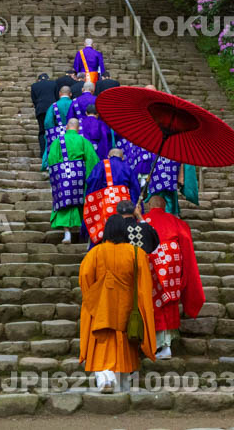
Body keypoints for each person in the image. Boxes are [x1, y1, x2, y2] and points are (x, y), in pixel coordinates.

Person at [79, 214, 156, 392]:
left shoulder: (95, 253)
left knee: (102, 343)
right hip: (127, 309)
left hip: (102, 309)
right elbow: (144, 285)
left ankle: (105, 377)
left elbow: (84, 279)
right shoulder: (136, 253)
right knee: (124, 342)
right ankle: (121, 380)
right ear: (125, 232)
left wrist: (95, 297)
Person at [143, 194, 205, 360]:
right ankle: (167, 344)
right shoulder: (176, 221)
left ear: (149, 206)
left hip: (150, 262)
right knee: (169, 302)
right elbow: (186, 244)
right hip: (172, 264)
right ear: (164, 207)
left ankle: (153, 343)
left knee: (152, 302)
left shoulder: (143, 221)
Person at [44, 119, 99, 244]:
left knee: (65, 201)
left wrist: (56, 176)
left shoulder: (58, 141)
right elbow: (92, 159)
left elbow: (51, 159)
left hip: (63, 176)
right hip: (80, 174)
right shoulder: (83, 141)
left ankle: (67, 233)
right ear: (78, 128)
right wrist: (89, 177)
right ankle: (83, 232)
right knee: (82, 201)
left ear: (67, 127)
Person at [83, 148, 141, 246]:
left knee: (104, 228)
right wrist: (136, 206)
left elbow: (93, 181)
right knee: (124, 229)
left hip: (106, 204)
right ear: (122, 158)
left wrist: (92, 200)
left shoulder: (102, 164)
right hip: (125, 205)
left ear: (108, 157)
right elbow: (135, 189)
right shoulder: (127, 167)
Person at [133, 149, 199, 217]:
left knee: (170, 200)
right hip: (157, 175)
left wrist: (181, 176)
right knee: (157, 201)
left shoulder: (176, 146)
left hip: (170, 174)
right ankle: (160, 218)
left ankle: (170, 218)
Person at [42, 86, 75, 167]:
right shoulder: (74, 104)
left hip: (58, 132)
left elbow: (48, 122)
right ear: (70, 94)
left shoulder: (54, 105)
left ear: (59, 94)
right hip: (74, 132)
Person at [30, 73, 58, 157]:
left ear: (39, 80)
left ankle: (42, 152)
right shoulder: (54, 83)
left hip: (40, 109)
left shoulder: (34, 86)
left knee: (42, 130)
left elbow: (34, 99)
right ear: (48, 79)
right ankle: (53, 151)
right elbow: (57, 97)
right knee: (53, 129)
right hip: (52, 109)